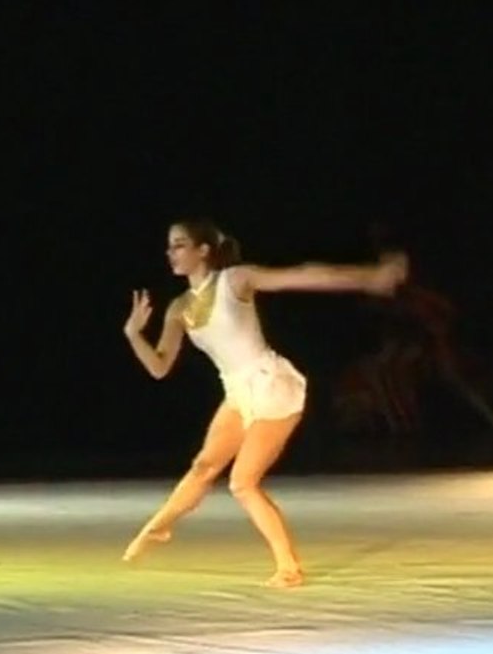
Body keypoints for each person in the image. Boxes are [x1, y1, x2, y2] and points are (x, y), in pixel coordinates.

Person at [121, 218, 408, 587]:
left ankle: (289, 568)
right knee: (204, 466)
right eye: (169, 246)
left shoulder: (234, 280)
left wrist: (370, 278)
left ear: (203, 250)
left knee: (242, 482)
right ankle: (156, 530)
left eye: (178, 245)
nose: (170, 253)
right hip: (238, 393)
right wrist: (132, 335)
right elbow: (159, 367)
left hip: (271, 385)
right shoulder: (178, 308)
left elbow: (303, 276)